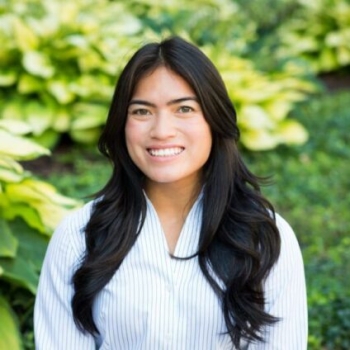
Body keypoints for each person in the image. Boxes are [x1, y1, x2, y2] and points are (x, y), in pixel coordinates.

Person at [34, 36, 307, 349]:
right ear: (122, 124)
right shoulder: (78, 236)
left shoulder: (265, 237)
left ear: (215, 120)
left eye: (184, 108)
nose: (162, 130)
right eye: (141, 111)